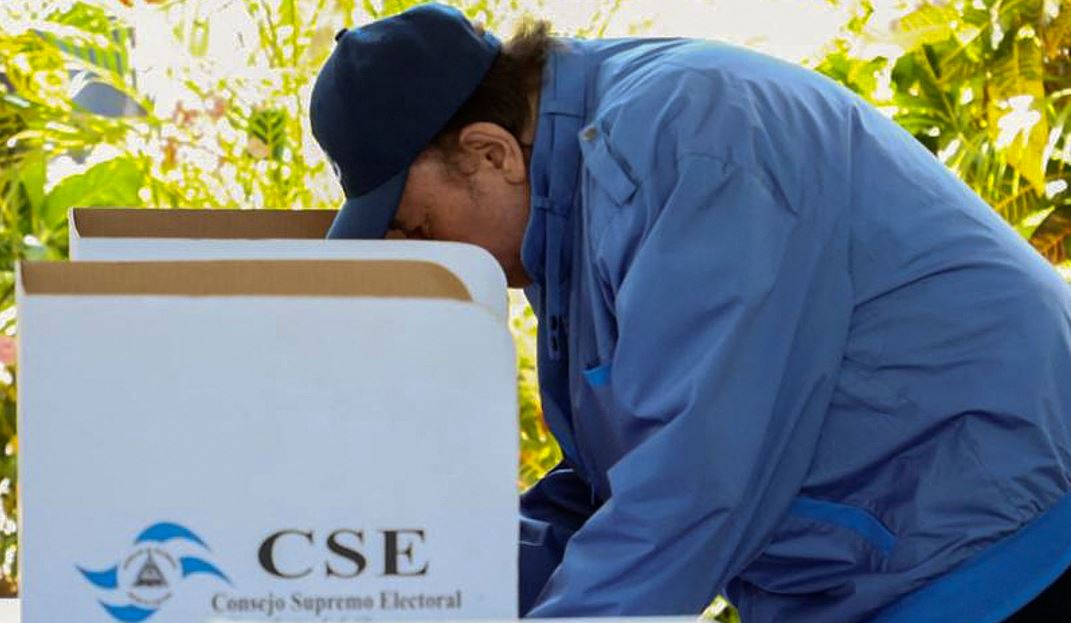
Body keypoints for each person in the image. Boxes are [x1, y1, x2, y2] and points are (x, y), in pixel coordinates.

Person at [309, 4, 1071, 622]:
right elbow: (615, 486)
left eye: (417, 227)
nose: (426, 255)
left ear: (488, 152)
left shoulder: (686, 139)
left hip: (1003, 560)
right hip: (902, 569)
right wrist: (428, 578)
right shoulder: (573, 196)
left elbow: (695, 480)